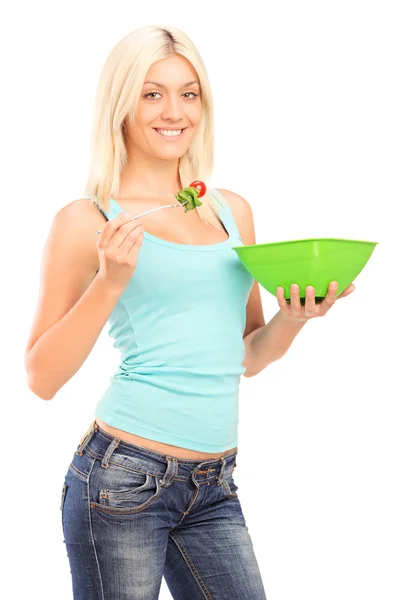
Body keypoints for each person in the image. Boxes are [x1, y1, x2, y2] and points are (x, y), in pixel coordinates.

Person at [24, 25, 355, 600]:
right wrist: (110, 282)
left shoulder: (232, 212)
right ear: (121, 104)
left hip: (215, 484)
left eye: (189, 92)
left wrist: (296, 316)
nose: (174, 111)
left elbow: (248, 355)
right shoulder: (87, 220)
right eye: (152, 93)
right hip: (123, 481)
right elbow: (41, 378)